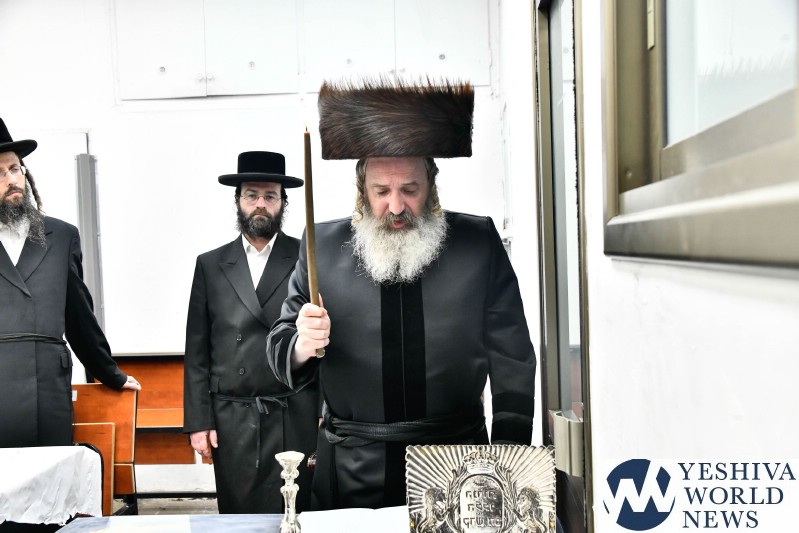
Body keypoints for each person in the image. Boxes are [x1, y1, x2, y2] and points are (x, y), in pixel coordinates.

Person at [267, 79, 537, 510]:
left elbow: (513, 358)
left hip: (459, 469)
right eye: (381, 192)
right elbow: (280, 346)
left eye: (410, 189)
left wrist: (508, 458)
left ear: (431, 186)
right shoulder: (322, 247)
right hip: (352, 469)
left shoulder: (477, 242)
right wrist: (302, 343)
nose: (396, 207)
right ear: (362, 191)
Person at [183, 151, 319, 514]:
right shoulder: (210, 264)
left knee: (297, 513)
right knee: (239, 519)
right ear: (238, 200)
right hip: (233, 418)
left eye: (270, 196)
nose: (260, 204)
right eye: (252, 195)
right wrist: (199, 422)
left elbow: (326, 341)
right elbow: (197, 351)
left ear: (283, 202)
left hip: (295, 413)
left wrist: (325, 411)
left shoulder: (307, 258)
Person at [0, 117, 140, 448]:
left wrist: (110, 373)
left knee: (51, 473)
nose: (11, 179)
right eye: (0, 173)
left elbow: (79, 316)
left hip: (47, 388)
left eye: (15, 169)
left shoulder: (61, 236)